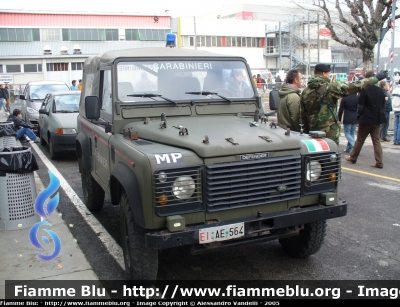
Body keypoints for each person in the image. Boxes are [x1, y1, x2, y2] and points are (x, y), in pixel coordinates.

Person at [300, 64, 388, 145]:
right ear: (323, 73)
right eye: (328, 73)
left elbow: (302, 115)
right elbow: (354, 86)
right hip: (329, 133)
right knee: (330, 158)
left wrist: (306, 132)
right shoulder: (330, 87)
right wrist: (375, 78)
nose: (329, 76)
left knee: (313, 157)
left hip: (312, 133)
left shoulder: (305, 91)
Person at [344, 71, 386, 168]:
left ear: (366, 79)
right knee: (376, 141)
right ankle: (379, 162)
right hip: (377, 119)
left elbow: (360, 106)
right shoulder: (380, 91)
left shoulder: (364, 90)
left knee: (360, 140)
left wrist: (359, 117)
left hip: (366, 119)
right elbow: (383, 105)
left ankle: (353, 157)